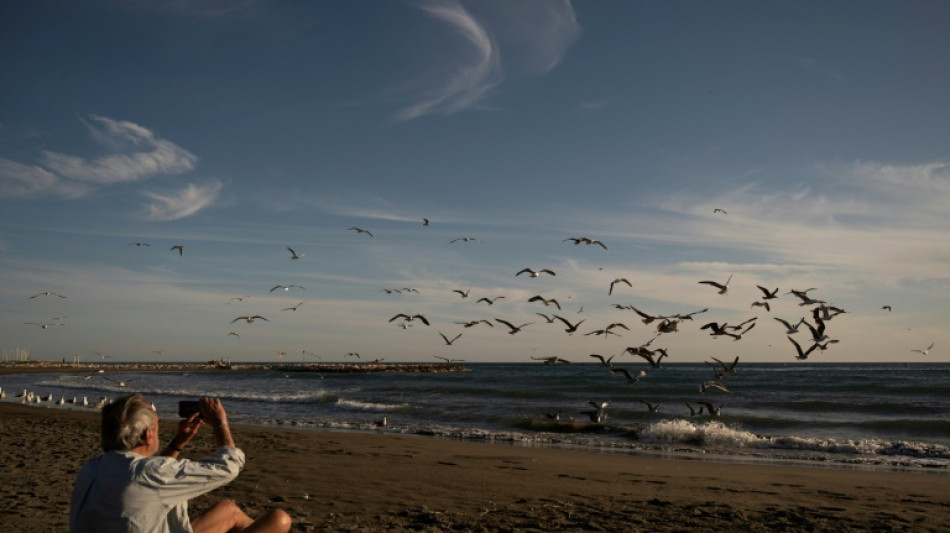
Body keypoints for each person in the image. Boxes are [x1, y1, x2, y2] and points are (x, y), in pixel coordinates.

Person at [70, 394, 291, 533]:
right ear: (148, 435)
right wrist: (220, 423)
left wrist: (178, 443)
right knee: (280, 520)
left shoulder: (92, 468)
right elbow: (230, 465)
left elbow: (146, 481)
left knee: (228, 510)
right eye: (157, 427)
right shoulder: (150, 474)